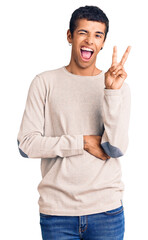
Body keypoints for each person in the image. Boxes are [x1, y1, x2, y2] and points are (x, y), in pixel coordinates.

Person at [17, 5, 131, 240]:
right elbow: (26, 145)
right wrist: (83, 142)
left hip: (106, 211)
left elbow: (115, 148)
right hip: (57, 213)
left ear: (103, 43)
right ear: (70, 36)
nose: (90, 40)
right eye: (83, 32)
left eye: (98, 35)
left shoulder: (118, 87)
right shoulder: (44, 82)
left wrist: (111, 92)